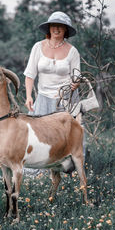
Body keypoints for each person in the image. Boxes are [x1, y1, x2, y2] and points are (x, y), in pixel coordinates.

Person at [23, 11, 82, 177]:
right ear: (49, 28)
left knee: (66, 137)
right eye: (54, 25)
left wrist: (75, 82)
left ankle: (67, 170)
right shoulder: (38, 47)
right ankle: (37, 173)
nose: (56, 29)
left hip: (66, 99)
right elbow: (30, 74)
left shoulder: (73, 51)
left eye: (61, 26)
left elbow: (77, 76)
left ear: (65, 30)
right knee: (37, 135)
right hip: (43, 96)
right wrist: (29, 96)